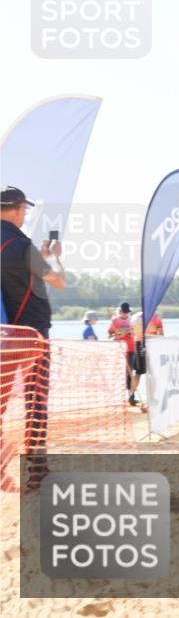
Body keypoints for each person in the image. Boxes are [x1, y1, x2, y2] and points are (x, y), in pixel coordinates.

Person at [0, 186, 66, 490]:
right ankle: (37, 470)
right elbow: (58, 280)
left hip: (3, 335)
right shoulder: (22, 246)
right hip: (32, 335)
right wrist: (54, 258)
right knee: (36, 402)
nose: (25, 214)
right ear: (17, 209)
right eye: (24, 209)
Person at [108, 302, 137, 405]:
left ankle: (131, 396)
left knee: (130, 372)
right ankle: (119, 397)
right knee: (121, 372)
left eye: (127, 312)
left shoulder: (131, 320)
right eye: (124, 312)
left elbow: (135, 334)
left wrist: (131, 333)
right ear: (120, 312)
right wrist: (118, 335)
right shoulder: (115, 321)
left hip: (131, 348)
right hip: (120, 349)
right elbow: (110, 335)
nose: (126, 314)